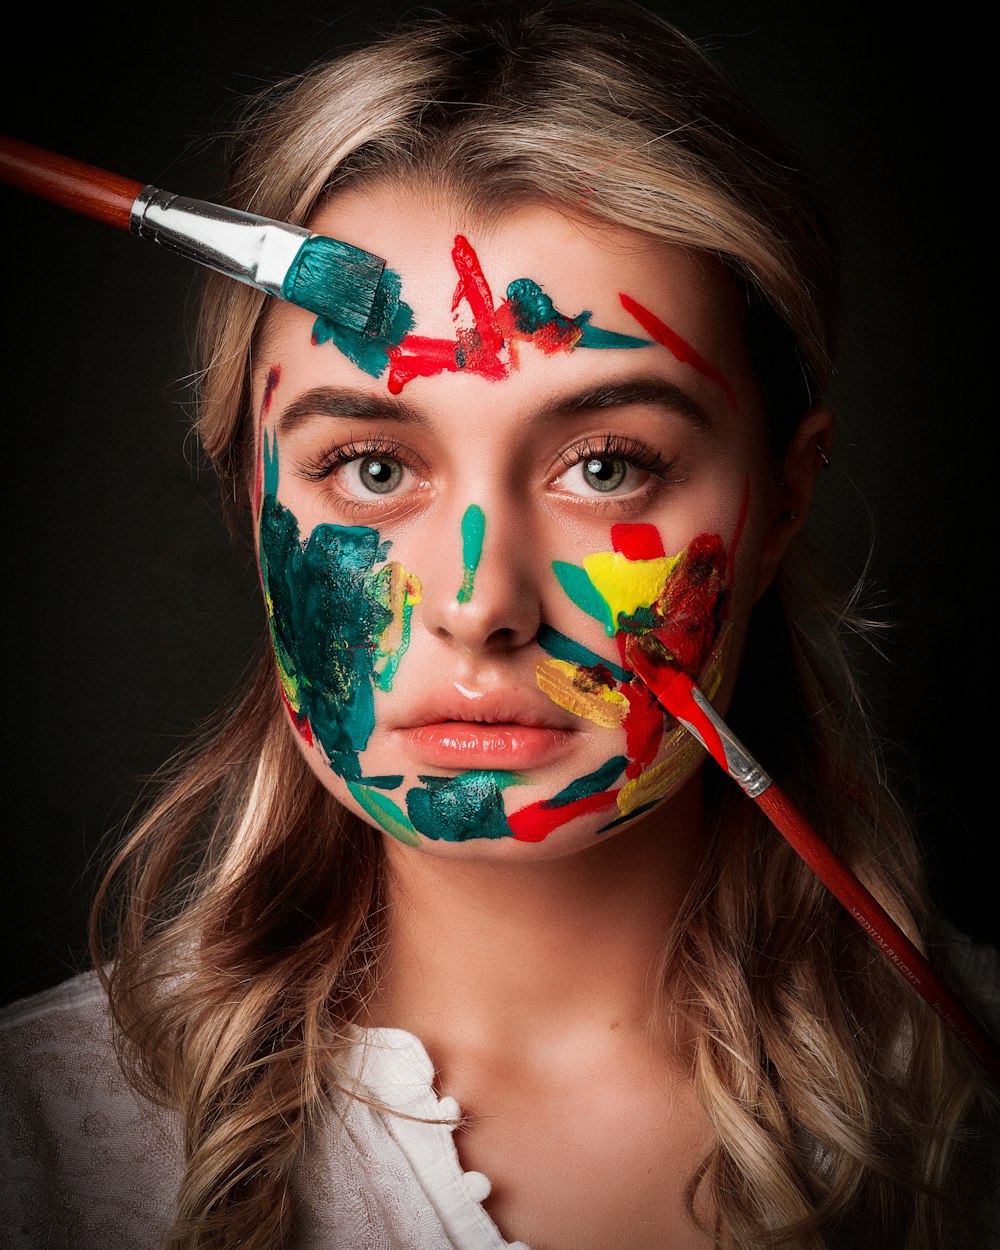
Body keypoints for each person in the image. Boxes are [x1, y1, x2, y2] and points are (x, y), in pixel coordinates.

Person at [2, 2, 997, 1247]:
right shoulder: (34, 1141)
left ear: (781, 496)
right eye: (370, 468)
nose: (480, 606)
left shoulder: (964, 1112)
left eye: (605, 464)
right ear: (250, 499)